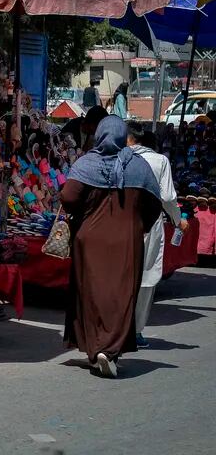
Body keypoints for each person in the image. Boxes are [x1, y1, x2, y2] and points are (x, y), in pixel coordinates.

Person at [61, 116, 161, 378]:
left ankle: (96, 350)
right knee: (121, 294)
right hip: (127, 241)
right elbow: (153, 205)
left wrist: (84, 213)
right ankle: (109, 351)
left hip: (89, 240)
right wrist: (139, 225)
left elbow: (68, 197)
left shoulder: (86, 163)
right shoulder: (139, 167)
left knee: (91, 294)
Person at [126, 122, 187, 348]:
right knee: (145, 278)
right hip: (149, 225)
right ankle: (136, 330)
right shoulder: (160, 161)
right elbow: (169, 198)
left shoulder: (118, 157)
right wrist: (177, 220)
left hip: (118, 223)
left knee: (120, 275)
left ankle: (118, 328)